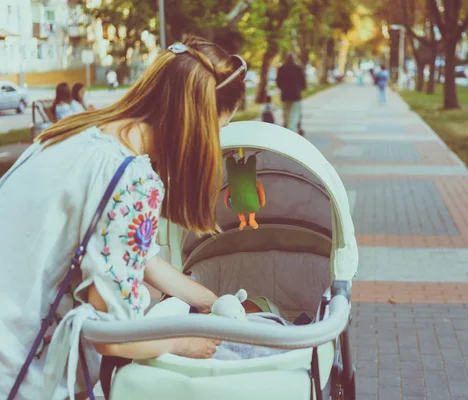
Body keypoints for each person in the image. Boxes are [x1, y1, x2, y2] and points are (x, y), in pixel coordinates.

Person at [0, 36, 247, 399]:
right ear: (200, 123)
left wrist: (207, 299)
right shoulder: (131, 178)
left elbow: (130, 255)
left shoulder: (76, 133)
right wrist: (184, 343)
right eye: (219, 130)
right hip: (16, 373)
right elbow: (115, 337)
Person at [275, 53, 306, 133]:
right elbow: (303, 82)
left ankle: (286, 126)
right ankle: (293, 129)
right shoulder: (298, 68)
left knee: (286, 112)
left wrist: (282, 88)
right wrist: (301, 88)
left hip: (285, 94)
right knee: (295, 113)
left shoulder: (281, 69)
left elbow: (278, 82)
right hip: (296, 95)